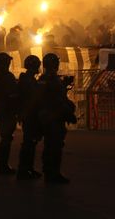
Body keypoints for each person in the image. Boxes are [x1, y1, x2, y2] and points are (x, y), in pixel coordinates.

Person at [37, 53, 72, 184]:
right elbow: (57, 99)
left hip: (48, 116)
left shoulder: (43, 78)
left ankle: (49, 172)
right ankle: (53, 173)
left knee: (50, 145)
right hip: (54, 116)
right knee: (55, 146)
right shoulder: (51, 79)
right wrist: (68, 111)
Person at [17, 55, 43, 180]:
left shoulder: (28, 79)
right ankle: (24, 170)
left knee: (30, 142)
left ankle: (28, 168)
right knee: (29, 142)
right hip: (30, 114)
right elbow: (32, 98)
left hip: (30, 114)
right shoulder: (28, 80)